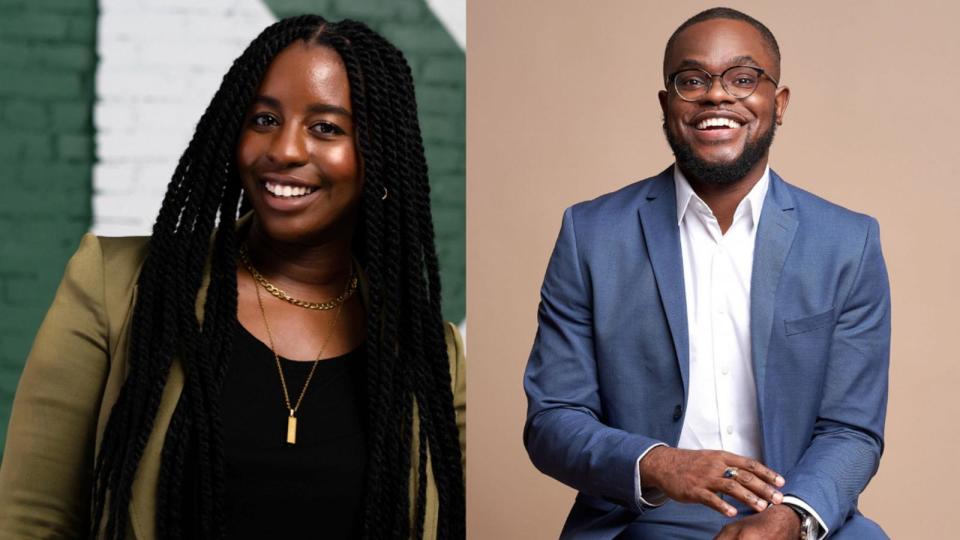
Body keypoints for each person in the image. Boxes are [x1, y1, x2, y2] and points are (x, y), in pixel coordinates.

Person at [0, 15, 465, 540]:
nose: (284, 150)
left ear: (378, 159)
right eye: (264, 119)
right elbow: (33, 522)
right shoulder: (115, 287)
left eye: (326, 127)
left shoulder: (429, 357)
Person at [523, 7, 888, 540]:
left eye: (743, 78)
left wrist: (790, 517)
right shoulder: (591, 234)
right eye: (692, 80)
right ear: (667, 104)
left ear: (778, 104)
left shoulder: (847, 242)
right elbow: (553, 419)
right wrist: (663, 464)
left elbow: (853, 430)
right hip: (643, 515)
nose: (717, 96)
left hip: (794, 508)